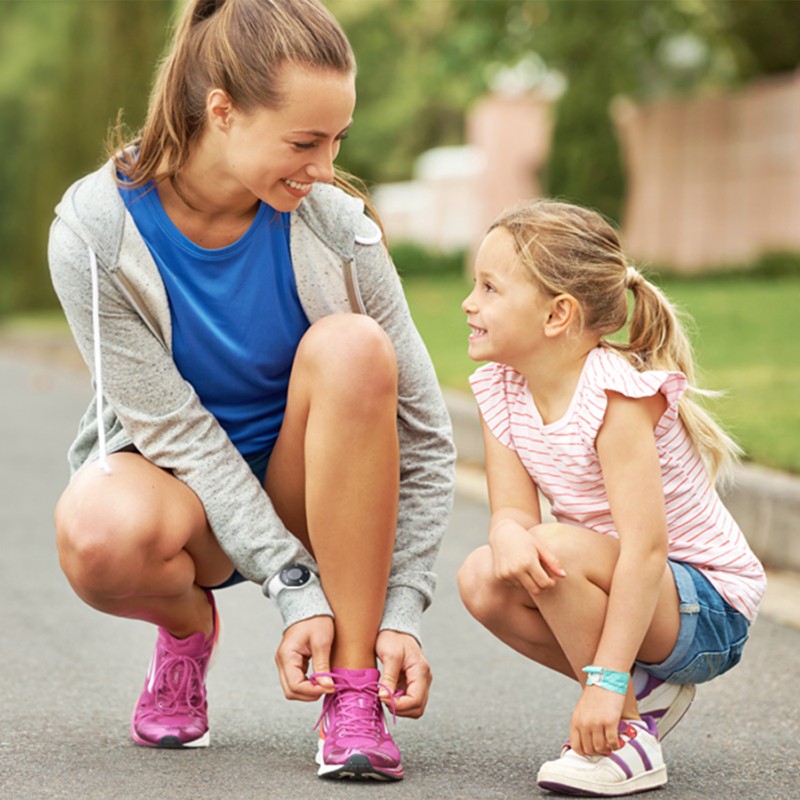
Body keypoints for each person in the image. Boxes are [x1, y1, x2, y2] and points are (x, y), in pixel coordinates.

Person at [48, 0, 455, 782]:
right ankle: (185, 631)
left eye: (338, 140)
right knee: (98, 534)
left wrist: (402, 609)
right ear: (222, 111)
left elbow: (427, 434)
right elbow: (177, 433)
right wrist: (295, 590)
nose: (327, 168)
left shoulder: (337, 227)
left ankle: (355, 682)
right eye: (305, 142)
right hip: (186, 496)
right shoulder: (95, 231)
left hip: (316, 491)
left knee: (354, 347)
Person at [457, 199, 765, 796]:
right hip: (635, 596)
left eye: (490, 288)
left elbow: (647, 551)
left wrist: (599, 681)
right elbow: (513, 515)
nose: (469, 303)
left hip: (707, 604)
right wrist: (505, 534)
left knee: (549, 548)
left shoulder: (615, 398)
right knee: (482, 575)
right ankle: (640, 700)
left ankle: (623, 735)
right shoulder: (501, 386)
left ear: (558, 315)